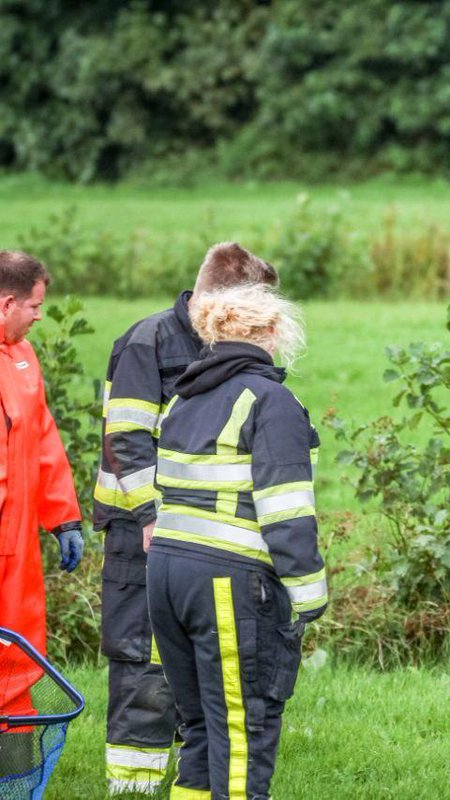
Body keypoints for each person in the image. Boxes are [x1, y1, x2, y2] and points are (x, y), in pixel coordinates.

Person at [95, 242, 278, 794]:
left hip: (193, 536)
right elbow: (125, 436)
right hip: (140, 529)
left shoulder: (223, 345)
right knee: (141, 656)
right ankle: (132, 784)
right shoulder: (148, 341)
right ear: (224, 296)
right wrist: (154, 516)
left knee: (188, 657)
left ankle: (190, 773)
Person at [146, 283, 327, 800]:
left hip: (166, 575)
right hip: (226, 582)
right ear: (271, 333)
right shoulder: (271, 400)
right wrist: (311, 597)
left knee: (201, 725)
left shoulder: (183, 397)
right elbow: (287, 512)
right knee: (244, 731)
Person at [0, 250, 84, 717]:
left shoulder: (23, 357)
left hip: (18, 548)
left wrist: (64, 518)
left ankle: (13, 776)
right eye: (34, 306)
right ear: (7, 303)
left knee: (18, 657)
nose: (38, 315)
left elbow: (43, 440)